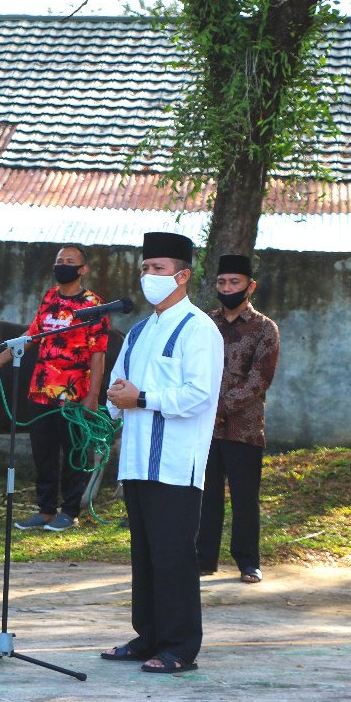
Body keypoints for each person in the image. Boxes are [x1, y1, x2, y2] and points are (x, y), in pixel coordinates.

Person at [101, 231, 223, 675]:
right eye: (145, 268)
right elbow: (118, 386)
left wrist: (143, 398)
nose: (147, 276)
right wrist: (112, 406)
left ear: (183, 275)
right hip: (136, 460)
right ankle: (147, 635)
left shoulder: (199, 329)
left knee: (173, 556)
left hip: (174, 464)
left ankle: (179, 647)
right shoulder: (138, 332)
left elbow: (199, 394)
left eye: (157, 269)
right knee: (145, 554)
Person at [0, 244, 109, 532]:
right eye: (59, 261)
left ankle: (70, 511)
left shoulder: (93, 305)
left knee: (74, 452)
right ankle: (46, 510)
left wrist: (92, 396)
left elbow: (98, 354)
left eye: (69, 261)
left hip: (74, 396)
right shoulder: (50, 297)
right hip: (41, 391)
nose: (62, 265)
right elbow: (33, 334)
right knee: (43, 453)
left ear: (83, 269)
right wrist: (2, 358)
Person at [197, 255, 280, 584]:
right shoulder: (204, 324)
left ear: (250, 286)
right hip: (203, 429)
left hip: (244, 430)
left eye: (235, 282)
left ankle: (248, 562)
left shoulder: (264, 328)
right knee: (206, 495)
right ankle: (204, 559)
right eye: (222, 282)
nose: (227, 288)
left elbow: (259, 381)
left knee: (245, 497)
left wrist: (217, 408)